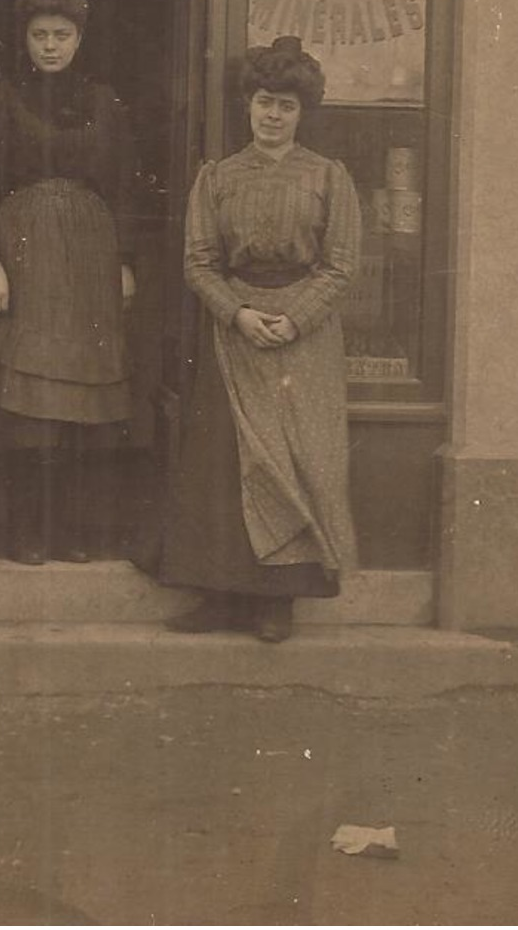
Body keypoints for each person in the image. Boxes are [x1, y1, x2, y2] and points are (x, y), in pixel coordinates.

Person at [159, 35, 361, 642]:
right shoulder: (218, 179)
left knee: (294, 462)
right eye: (264, 102)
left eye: (287, 106)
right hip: (237, 332)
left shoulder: (328, 178)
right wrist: (238, 313)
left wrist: (295, 317)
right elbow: (199, 262)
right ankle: (221, 596)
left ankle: (278, 603)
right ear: (248, 104)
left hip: (305, 336)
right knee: (224, 464)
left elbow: (342, 265)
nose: (273, 115)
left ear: (303, 114)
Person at [0, 0, 138, 564]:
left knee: (83, 399)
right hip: (26, 251)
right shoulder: (3, 97)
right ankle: (26, 530)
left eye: (61, 36)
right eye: (39, 35)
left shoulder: (104, 102)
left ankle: (72, 531)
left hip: (91, 255)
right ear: (25, 39)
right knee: (31, 397)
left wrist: (125, 263)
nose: (50, 46)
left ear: (79, 40)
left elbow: (123, 187)